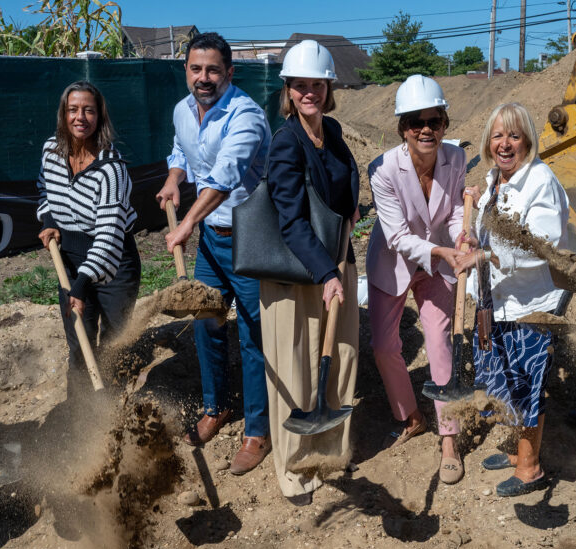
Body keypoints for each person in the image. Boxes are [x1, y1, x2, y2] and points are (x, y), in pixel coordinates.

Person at [156, 33, 273, 475]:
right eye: (195, 69)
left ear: (229, 72)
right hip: (213, 240)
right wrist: (173, 178)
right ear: (186, 69)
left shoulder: (246, 115)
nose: (203, 78)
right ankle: (216, 406)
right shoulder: (182, 110)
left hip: (250, 238)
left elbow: (225, 176)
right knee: (206, 324)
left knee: (252, 334)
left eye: (212, 70)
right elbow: (180, 150)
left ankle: (257, 431)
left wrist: (186, 222)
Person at [262, 40, 359, 506]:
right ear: (288, 89)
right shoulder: (285, 142)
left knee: (341, 356)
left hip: (338, 262)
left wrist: (353, 209)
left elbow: (341, 186)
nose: (308, 92)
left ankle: (329, 452)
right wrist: (325, 272)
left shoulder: (333, 130)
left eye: (316, 84)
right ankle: (294, 468)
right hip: (299, 274)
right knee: (295, 368)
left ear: (328, 86)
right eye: (299, 85)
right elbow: (290, 221)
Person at [464, 103, 569, 498]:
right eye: (497, 136)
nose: (504, 144)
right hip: (497, 302)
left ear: (528, 141)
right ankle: (517, 450)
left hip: (530, 303)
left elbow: (540, 245)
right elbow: (489, 235)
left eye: (514, 136)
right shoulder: (495, 180)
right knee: (505, 377)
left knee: (527, 382)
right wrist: (474, 239)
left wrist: (486, 256)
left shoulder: (540, 181)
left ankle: (530, 468)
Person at [366, 74, 468, 484]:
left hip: (440, 262)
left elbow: (459, 211)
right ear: (402, 128)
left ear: (444, 122)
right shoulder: (383, 170)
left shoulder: (456, 159)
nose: (426, 129)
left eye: (434, 120)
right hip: (393, 262)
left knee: (439, 343)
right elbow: (395, 236)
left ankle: (449, 437)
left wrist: (463, 235)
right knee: (385, 346)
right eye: (415, 122)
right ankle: (409, 417)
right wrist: (442, 251)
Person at [37, 81, 139, 397]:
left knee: (113, 346)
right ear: (63, 115)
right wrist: (51, 220)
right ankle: (77, 417)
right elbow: (45, 189)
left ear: (100, 116)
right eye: (73, 109)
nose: (80, 117)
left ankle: (114, 418)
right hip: (68, 258)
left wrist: (79, 287)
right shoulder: (50, 152)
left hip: (113, 266)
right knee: (78, 343)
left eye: (88, 110)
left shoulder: (111, 168)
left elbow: (109, 235)